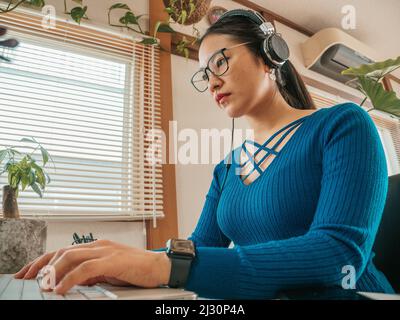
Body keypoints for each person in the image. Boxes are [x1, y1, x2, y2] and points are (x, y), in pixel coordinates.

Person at [14, 9, 394, 299]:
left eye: (220, 62)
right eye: (203, 73)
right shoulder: (226, 168)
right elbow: (200, 248)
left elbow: (337, 255)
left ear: (269, 56)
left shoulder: (343, 125)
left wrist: (164, 265)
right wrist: (120, 262)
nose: (211, 80)